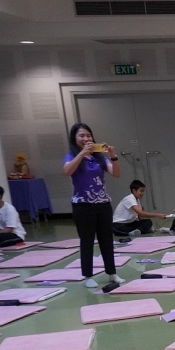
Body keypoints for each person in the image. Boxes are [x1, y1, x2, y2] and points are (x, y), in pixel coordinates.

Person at [62, 122, 123, 289]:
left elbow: (116, 173)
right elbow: (67, 171)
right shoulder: (71, 156)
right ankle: (88, 275)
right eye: (81, 135)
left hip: (103, 203)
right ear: (75, 138)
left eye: (88, 135)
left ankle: (112, 273)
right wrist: (82, 153)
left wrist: (113, 156)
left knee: (107, 239)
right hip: (83, 205)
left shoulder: (99, 157)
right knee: (87, 241)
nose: (86, 138)